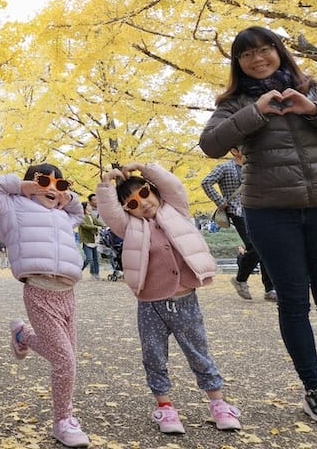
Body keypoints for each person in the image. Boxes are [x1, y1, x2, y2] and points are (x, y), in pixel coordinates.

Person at [199, 25, 317, 426]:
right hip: (271, 212)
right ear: (238, 62)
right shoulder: (234, 102)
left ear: (279, 52)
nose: (258, 58)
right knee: (294, 301)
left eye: (265, 50)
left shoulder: (313, 88)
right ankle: (315, 389)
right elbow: (210, 144)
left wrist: (313, 110)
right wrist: (255, 112)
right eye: (247, 54)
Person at [96, 162, 242, 435]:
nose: (142, 203)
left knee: (199, 353)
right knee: (154, 357)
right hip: (151, 304)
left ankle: (219, 404)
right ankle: (165, 406)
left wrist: (144, 169)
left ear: (154, 191)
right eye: (131, 203)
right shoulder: (130, 227)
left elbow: (173, 185)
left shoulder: (175, 209)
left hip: (185, 298)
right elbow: (109, 213)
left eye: (145, 193)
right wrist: (106, 185)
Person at [0, 163, 90, 448]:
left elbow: (79, 212)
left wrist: (70, 199)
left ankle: (23, 335)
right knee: (64, 360)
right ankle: (63, 421)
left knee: (67, 358)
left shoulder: (63, 215)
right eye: (44, 181)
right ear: (30, 184)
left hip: (69, 295)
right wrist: (22, 186)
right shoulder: (14, 208)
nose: (51, 188)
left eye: (60, 184)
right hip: (39, 292)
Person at [201, 147, 276, 301]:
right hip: (238, 211)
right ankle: (240, 280)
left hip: (260, 209)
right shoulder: (225, 167)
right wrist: (221, 202)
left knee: (265, 247)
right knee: (254, 247)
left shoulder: (255, 166)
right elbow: (206, 182)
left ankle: (270, 289)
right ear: (234, 151)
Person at [78, 196, 104, 280]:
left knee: (96, 259)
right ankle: (78, 271)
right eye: (88, 206)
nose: (90, 207)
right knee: (89, 258)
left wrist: (105, 226)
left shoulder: (91, 216)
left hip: (94, 240)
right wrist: (96, 227)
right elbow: (85, 226)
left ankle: (95, 274)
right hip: (86, 240)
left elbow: (98, 222)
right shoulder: (81, 216)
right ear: (85, 208)